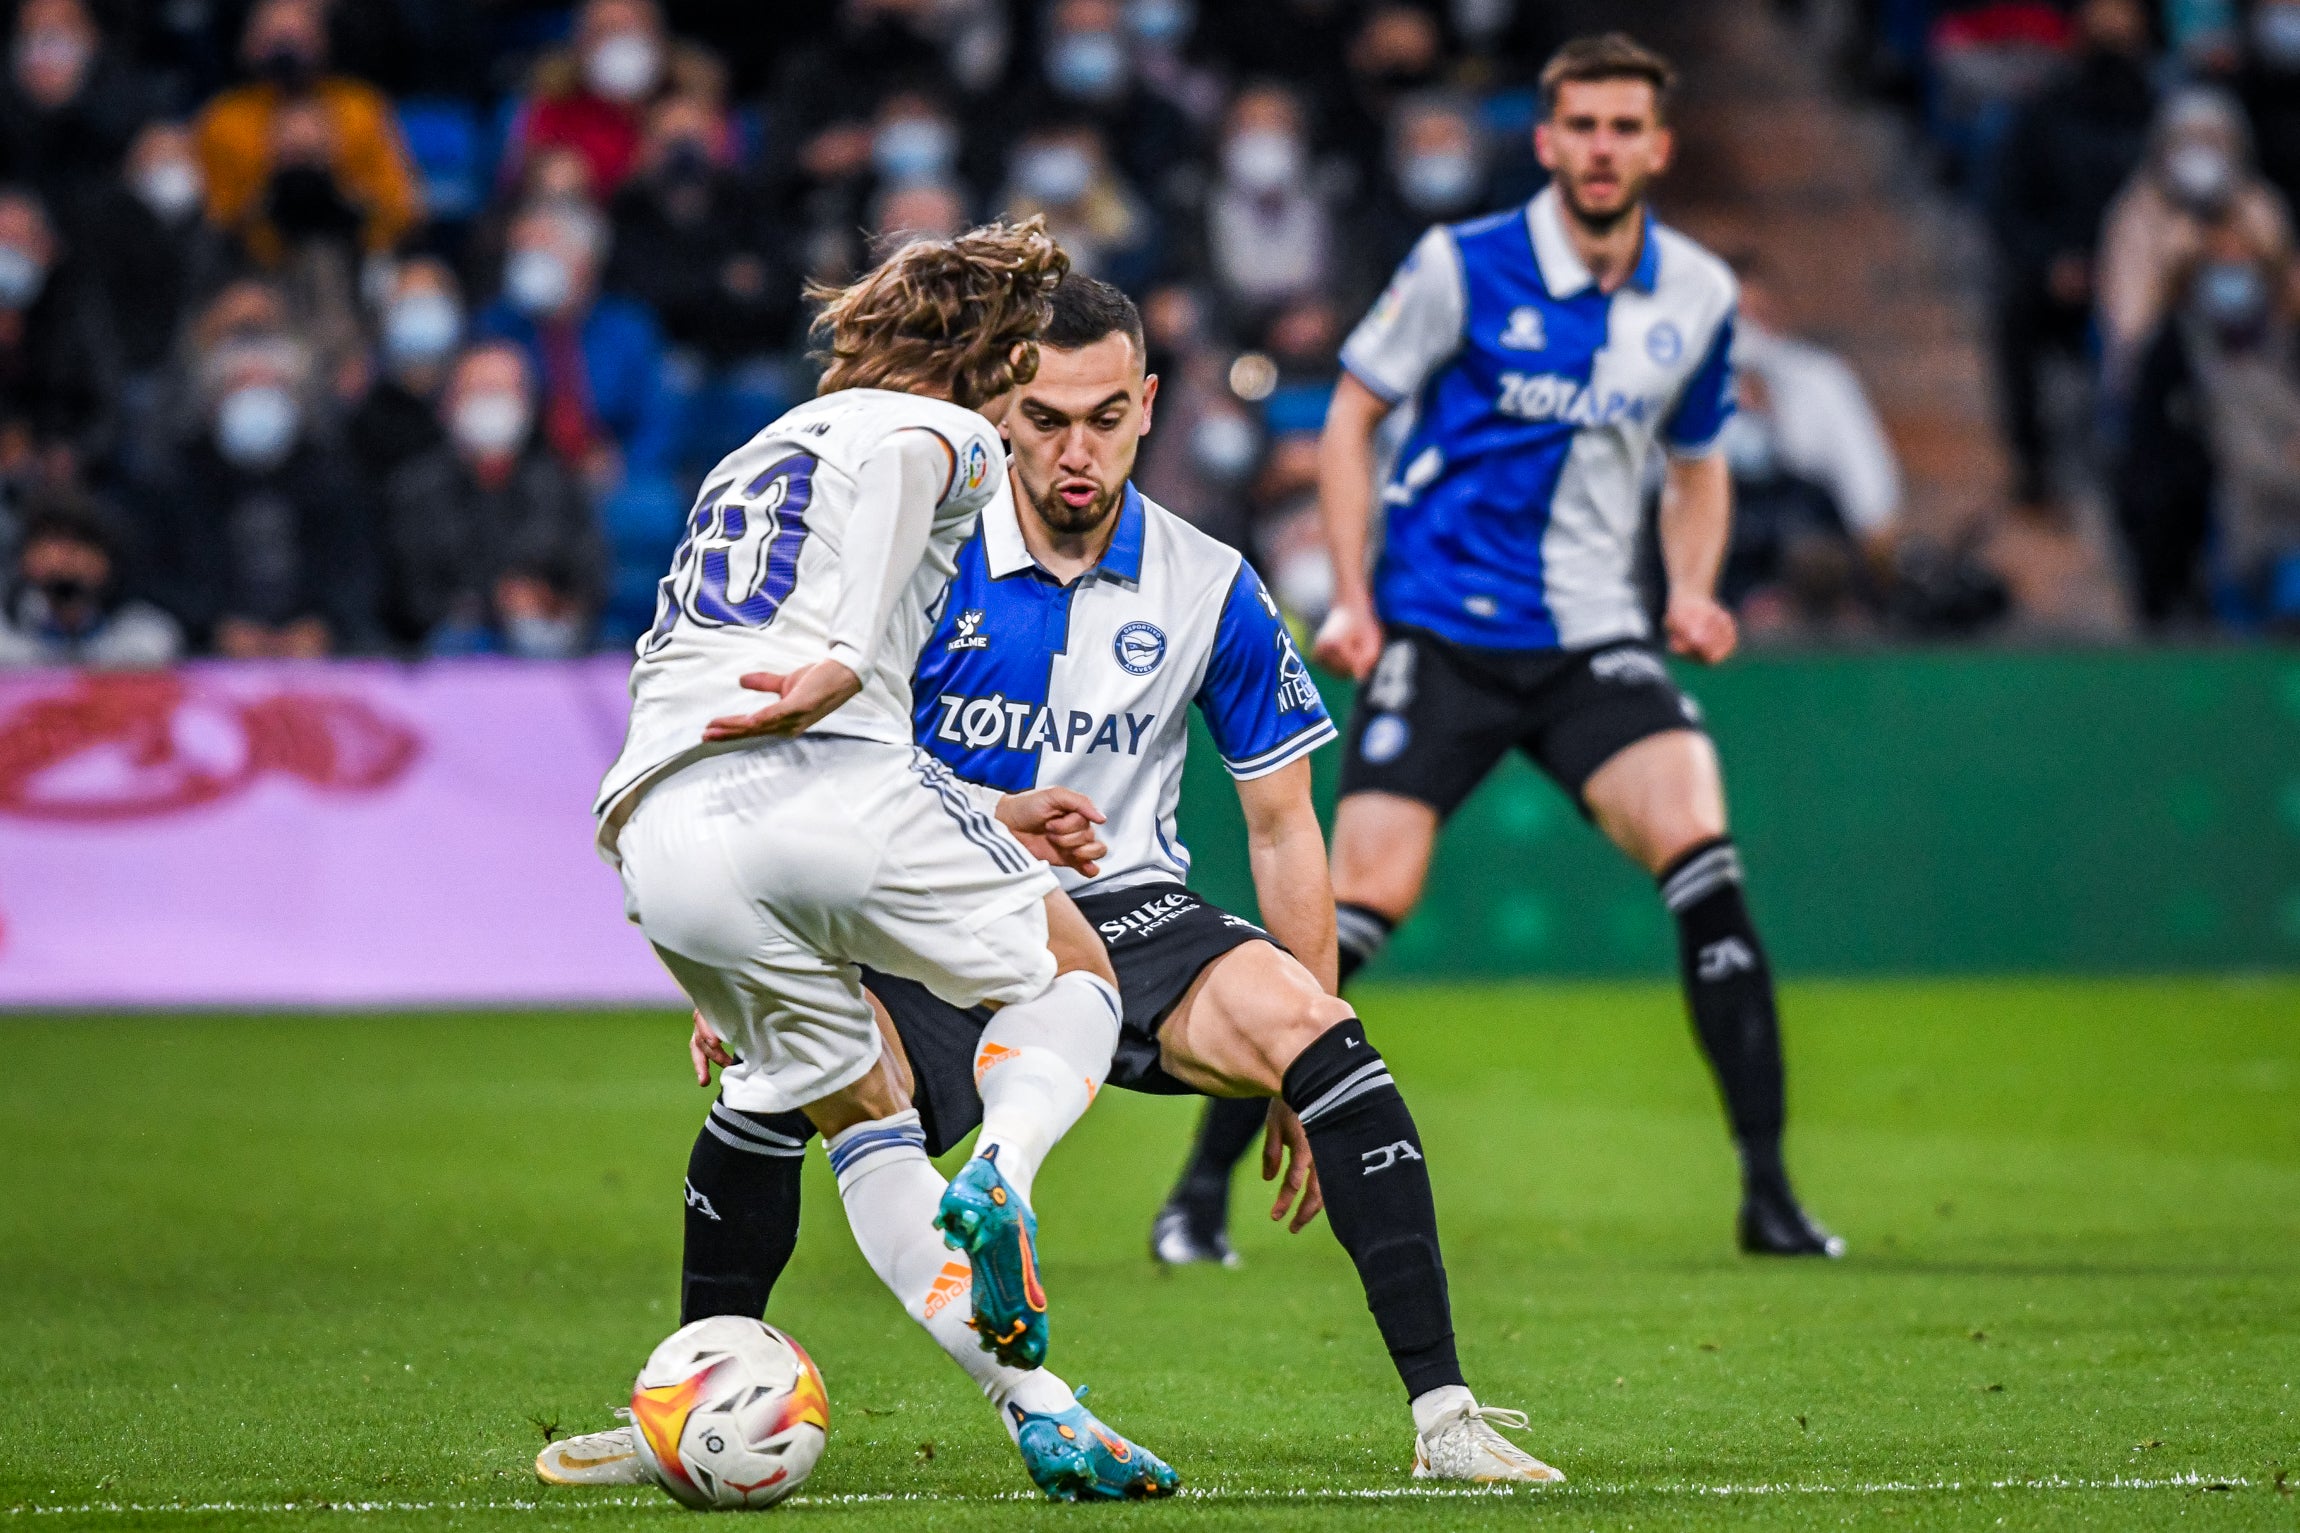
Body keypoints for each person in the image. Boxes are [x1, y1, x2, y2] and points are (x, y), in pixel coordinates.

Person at [536, 274, 1563, 1492]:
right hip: (921, 914)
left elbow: (1284, 829)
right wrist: (743, 981)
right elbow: (817, 761)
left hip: (1129, 908)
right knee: (770, 1090)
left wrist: (1294, 1066)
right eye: (1044, 419)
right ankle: (684, 1392)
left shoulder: (1210, 584)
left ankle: (1445, 1420)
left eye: (1103, 417)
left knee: (1326, 1041)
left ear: (1146, 408)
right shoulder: (920, 530)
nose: (1074, 450)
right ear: (1001, 415)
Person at [1156, 33, 1844, 1265]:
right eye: (1579, 125)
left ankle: (1769, 1195)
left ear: (1657, 146)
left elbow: (1694, 463)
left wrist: (1689, 588)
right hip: (1446, 637)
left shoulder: (1689, 292)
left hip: (1593, 642)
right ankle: (1197, 1195)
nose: (1599, 148)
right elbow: (1355, 415)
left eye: (1623, 127)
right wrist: (1356, 593)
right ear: (1543, 141)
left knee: (1705, 860)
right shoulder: (1461, 266)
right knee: (1357, 907)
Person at [584, 221, 1181, 1501]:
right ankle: (1006, 1172)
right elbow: (919, 460)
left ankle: (1041, 1410)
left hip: (662, 830)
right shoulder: (942, 426)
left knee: (862, 1113)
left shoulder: (751, 454)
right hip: (818, 765)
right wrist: (850, 660)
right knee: (1071, 970)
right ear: (992, 355)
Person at [1985, 0, 2156, 508]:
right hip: (2062, 274)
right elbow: (2009, 205)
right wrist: (2050, 262)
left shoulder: (2161, 111)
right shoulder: (2045, 112)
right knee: (2015, 311)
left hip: (2149, 279)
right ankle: (2033, 465)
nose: (2113, 31)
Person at [381, 341, 603, 654]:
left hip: (554, 639)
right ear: (449, 404)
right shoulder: (414, 492)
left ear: (527, 404)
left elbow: (592, 575)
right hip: (453, 650)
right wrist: (494, 603)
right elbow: (409, 598)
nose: (491, 404)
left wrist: (550, 601)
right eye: (480, 391)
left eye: (501, 392)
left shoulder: (560, 486)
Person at [192, 0, 421, 265]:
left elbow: (405, 210)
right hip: (251, 266)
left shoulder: (362, 109)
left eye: (298, 35)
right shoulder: (224, 118)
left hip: (356, 260)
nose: (286, 47)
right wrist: (272, 175)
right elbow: (212, 219)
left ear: (323, 39)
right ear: (249, 43)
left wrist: (332, 173)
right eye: (273, 35)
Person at [0, 486, 179, 666]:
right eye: (51, 542)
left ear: (106, 560)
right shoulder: (6, 643)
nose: (64, 557)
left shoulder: (145, 637)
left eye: (79, 544)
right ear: (24, 558)